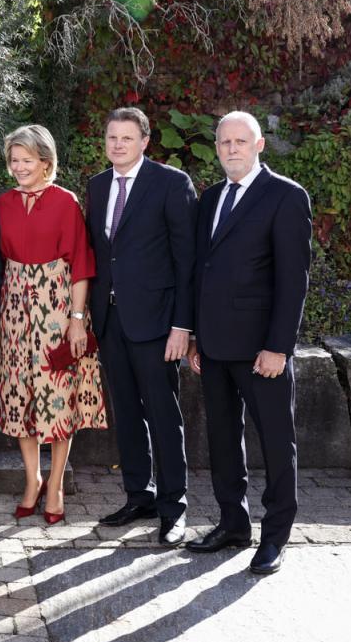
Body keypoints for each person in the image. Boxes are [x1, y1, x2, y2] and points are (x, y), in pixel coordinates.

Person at [186, 111, 311, 575]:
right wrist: (198, 337)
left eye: (241, 141)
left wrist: (279, 347)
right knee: (222, 440)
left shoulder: (285, 196)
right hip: (215, 348)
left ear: (260, 145)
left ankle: (275, 536)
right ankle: (233, 523)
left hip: (263, 351)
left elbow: (292, 280)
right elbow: (204, 272)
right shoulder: (212, 197)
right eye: (224, 142)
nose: (232, 148)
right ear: (217, 147)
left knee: (277, 443)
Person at [86, 107, 197, 546]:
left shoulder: (171, 184)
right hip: (110, 320)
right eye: (112, 137)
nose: (117, 145)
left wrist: (182, 325)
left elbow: (186, 261)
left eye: (126, 138)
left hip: (157, 323)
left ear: (144, 141)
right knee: (127, 414)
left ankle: (174, 508)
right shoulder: (97, 186)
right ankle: (140, 495)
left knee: (164, 415)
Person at [0, 124, 107, 524]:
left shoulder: (65, 201)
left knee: (58, 398)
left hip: (57, 309)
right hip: (14, 312)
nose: (19, 167)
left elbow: (81, 265)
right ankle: (32, 478)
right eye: (14, 160)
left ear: (46, 162)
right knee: (19, 396)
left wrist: (77, 321)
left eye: (27, 160)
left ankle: (55, 483)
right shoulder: (1, 203)